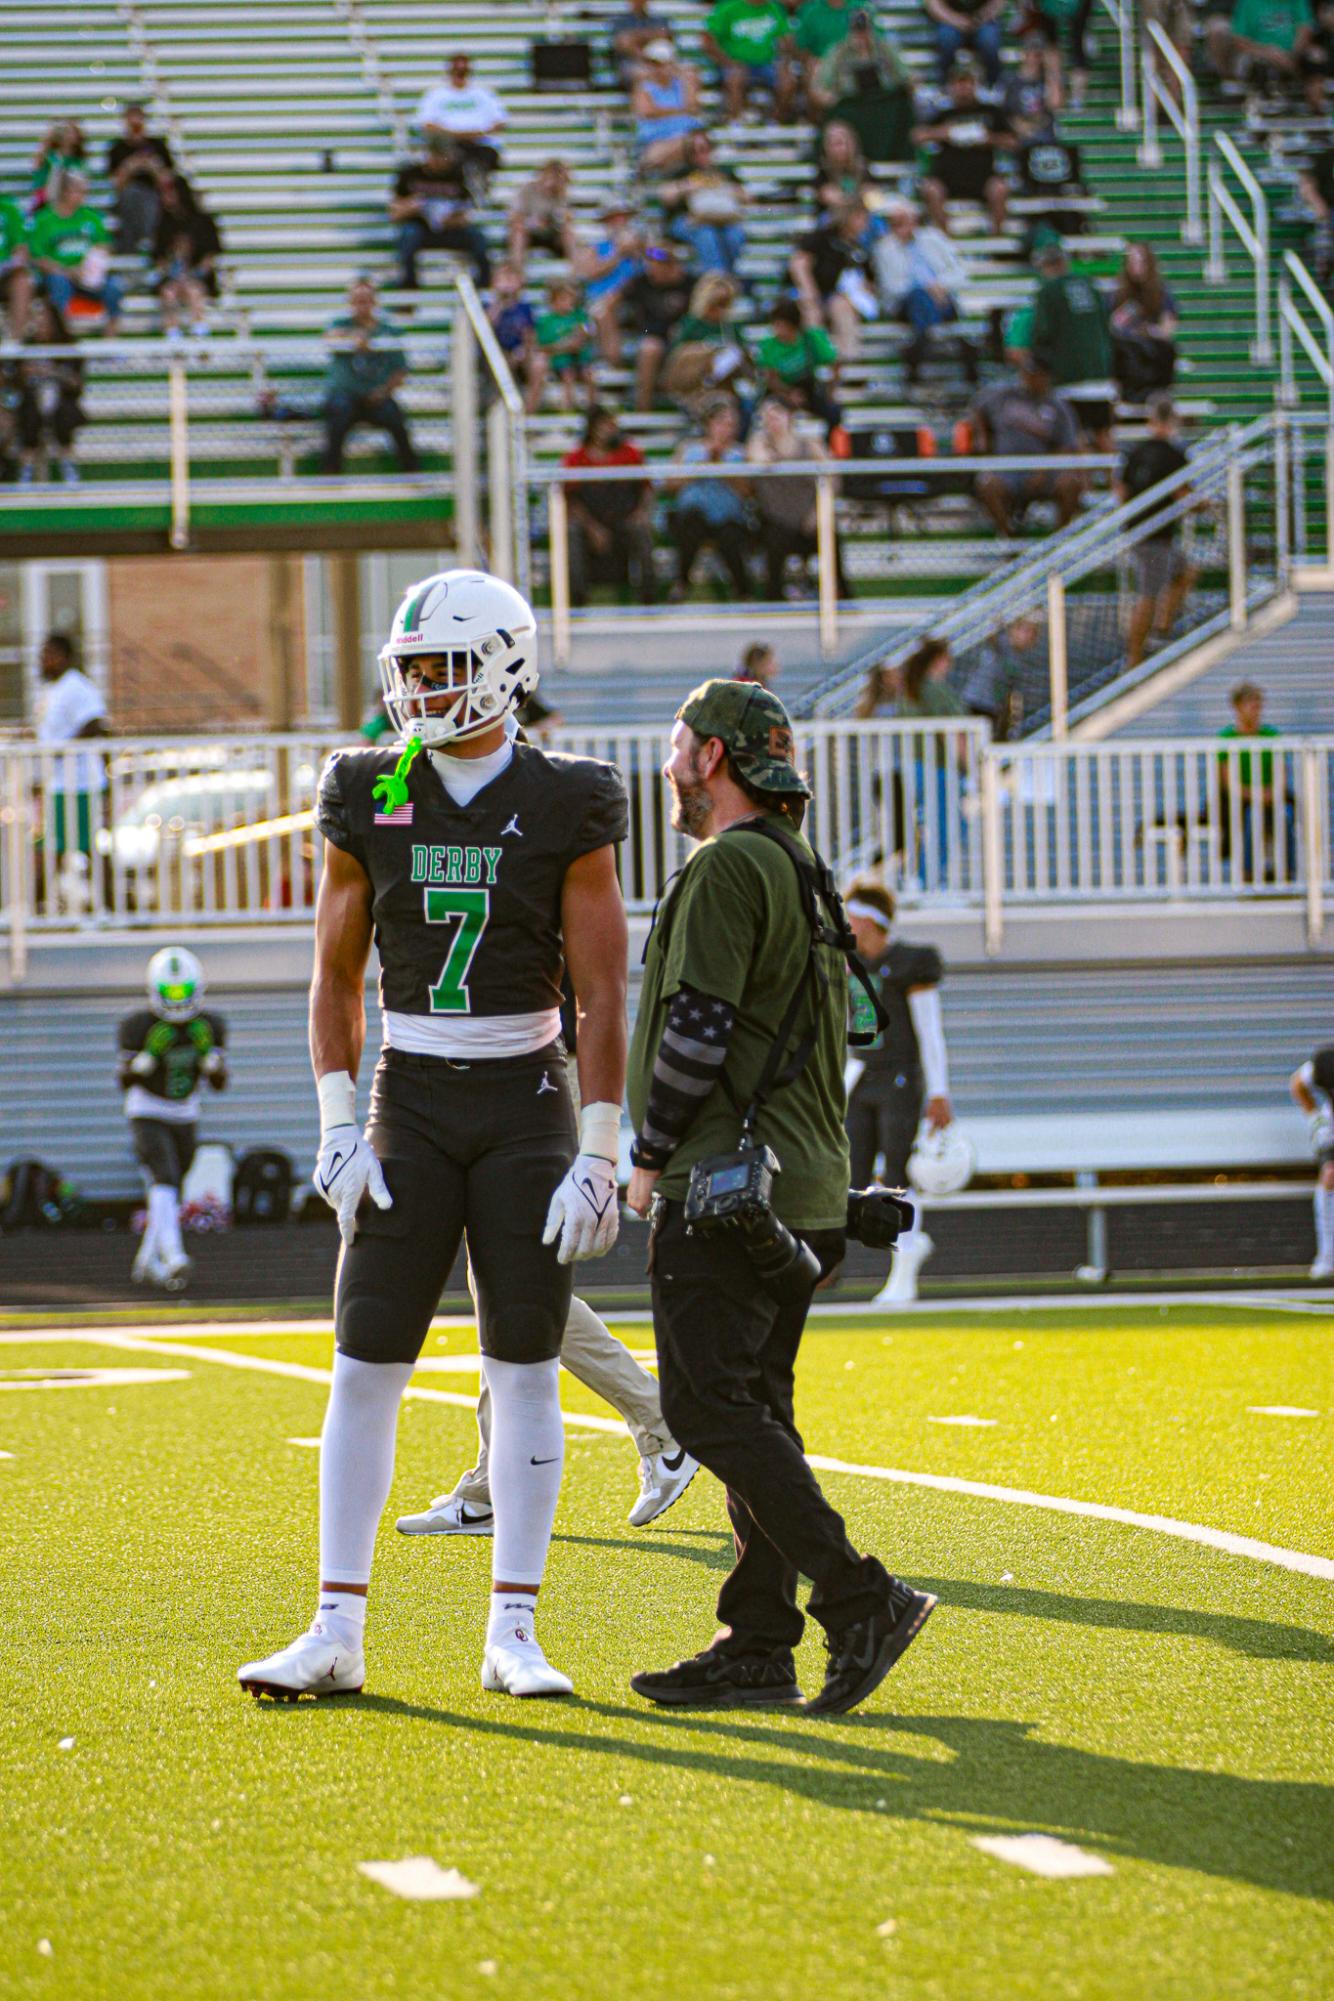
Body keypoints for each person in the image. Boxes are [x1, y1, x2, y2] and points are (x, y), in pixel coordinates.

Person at [238, 567, 630, 1703]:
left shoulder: (569, 797)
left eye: (442, 667)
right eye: (408, 670)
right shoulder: (367, 789)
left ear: (506, 664)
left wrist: (599, 1153)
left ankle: (513, 1631)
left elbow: (604, 993)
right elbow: (332, 974)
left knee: (520, 1369)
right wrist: (333, 1123)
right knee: (363, 1366)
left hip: (523, 1100)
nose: (419, 690)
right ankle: (333, 1630)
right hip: (408, 1095)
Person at [624, 677, 935, 1714]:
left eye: (677, 744)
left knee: (705, 1406)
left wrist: (646, 1153)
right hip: (804, 1185)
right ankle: (757, 1639)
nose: (668, 763)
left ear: (710, 757)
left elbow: (699, 1030)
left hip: (724, 1185)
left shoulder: (722, 867)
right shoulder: (802, 865)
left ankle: (859, 1599)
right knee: (758, 1414)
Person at [842, 877, 953, 1302]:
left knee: (897, 1175)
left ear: (869, 922)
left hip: (900, 1079)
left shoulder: (909, 963)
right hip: (863, 1078)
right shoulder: (850, 964)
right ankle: (881, 1255)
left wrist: (939, 1091)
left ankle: (905, 1262)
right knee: (852, 1173)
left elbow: (929, 1030)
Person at [117, 947, 227, 1293]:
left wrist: (212, 1063)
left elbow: (220, 1084)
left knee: (172, 1185)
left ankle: (147, 1261)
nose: (177, 1002)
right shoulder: (138, 1026)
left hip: (185, 1112)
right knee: (163, 1174)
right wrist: (143, 1061)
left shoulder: (210, 1025)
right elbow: (123, 1081)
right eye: (171, 994)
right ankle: (174, 1254)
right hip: (147, 1109)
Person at [1115, 394, 1196, 671]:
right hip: (1156, 535)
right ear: (1172, 421)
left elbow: (1121, 491)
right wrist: (1203, 504)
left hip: (1140, 530)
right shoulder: (1174, 455)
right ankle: (1134, 657)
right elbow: (1183, 494)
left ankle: (1162, 628)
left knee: (1185, 572)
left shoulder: (1135, 452)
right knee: (1148, 595)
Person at [746, 394, 850, 599]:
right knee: (773, 539)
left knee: (831, 537)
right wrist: (767, 450)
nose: (773, 420)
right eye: (767, 416)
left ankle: (843, 594)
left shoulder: (809, 444)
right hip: (779, 521)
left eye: (777, 414)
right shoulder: (759, 443)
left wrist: (817, 512)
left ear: (789, 416)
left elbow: (832, 478)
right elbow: (758, 460)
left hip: (810, 519)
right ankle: (773, 597)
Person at [970, 358, 1085, 535]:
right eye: (1028, 374)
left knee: (1070, 483)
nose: (1032, 379)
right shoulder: (1004, 397)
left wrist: (1043, 469)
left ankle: (1059, 537)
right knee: (987, 484)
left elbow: (1067, 445)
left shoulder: (1058, 406)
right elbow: (977, 406)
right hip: (1007, 467)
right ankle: (1007, 535)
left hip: (1045, 468)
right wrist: (982, 436)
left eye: (1038, 375)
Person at [320, 278, 419, 476]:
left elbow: (401, 370)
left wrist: (383, 391)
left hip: (377, 396)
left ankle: (411, 470)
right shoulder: (341, 324)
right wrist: (354, 337)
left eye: (366, 299)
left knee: (396, 418)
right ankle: (330, 471)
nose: (361, 305)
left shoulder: (388, 330)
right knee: (337, 413)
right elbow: (328, 337)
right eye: (357, 300)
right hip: (346, 396)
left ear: (374, 301)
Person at [561, 406, 658, 604]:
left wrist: (641, 513)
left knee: (641, 530)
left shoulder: (630, 454)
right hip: (590, 520)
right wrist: (592, 528)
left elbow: (646, 489)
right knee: (571, 531)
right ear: (593, 429)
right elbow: (570, 500)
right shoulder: (576, 458)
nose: (611, 429)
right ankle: (576, 598)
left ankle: (649, 596)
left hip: (624, 517)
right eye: (605, 425)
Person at [34, 631, 108, 884]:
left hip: (79, 783)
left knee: (77, 846)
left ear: (64, 657)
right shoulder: (51, 690)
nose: (43, 661)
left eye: (49, 655)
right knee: (56, 844)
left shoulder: (76, 686)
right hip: (58, 781)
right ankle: (38, 907)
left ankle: (108, 906)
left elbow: (96, 725)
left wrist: (63, 750)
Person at [914, 56, 1016, 238]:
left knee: (1000, 188)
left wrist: (988, 139)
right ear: (951, 86)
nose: (963, 88)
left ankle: (996, 238)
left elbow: (1013, 141)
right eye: (959, 83)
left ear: (975, 84)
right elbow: (918, 135)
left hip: (983, 175)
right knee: (930, 188)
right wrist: (943, 134)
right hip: (948, 176)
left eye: (967, 83)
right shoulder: (944, 114)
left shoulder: (990, 112)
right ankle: (945, 238)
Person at [872, 196, 967, 385]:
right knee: (919, 297)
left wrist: (940, 285)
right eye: (895, 223)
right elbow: (892, 287)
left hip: (942, 297)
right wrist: (927, 288)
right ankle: (931, 336)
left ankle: (922, 344)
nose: (901, 227)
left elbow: (960, 272)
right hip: (906, 305)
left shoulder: (933, 239)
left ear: (914, 219)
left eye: (904, 221)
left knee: (925, 299)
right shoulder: (884, 248)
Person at [1028, 241, 1114, 450]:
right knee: (1104, 434)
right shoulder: (1092, 287)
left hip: (1069, 378)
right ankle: (1114, 480)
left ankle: (1085, 483)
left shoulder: (1049, 291)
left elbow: (1043, 334)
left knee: (1075, 437)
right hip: (1101, 377)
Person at [668, 399, 755, 598]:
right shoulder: (688, 449)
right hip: (693, 512)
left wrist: (723, 469)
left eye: (731, 424)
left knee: (730, 536)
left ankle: (743, 591)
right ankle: (681, 584)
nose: (726, 429)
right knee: (690, 526)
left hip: (728, 516)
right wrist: (701, 467)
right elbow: (670, 485)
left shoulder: (740, 453)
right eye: (721, 423)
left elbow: (748, 492)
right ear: (709, 424)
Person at [1216, 680, 1297, 884]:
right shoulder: (1227, 738)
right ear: (1237, 707)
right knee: (1252, 816)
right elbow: (1227, 782)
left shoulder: (1271, 735)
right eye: (1251, 705)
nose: (1256, 710)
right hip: (1241, 801)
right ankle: (1249, 875)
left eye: (1258, 705)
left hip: (1273, 798)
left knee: (1285, 815)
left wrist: (1272, 793)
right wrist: (1255, 795)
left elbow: (1281, 774)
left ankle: (1288, 873)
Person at [390, 136, 491, 291]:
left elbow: (467, 214)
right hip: (421, 229)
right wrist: (412, 207)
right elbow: (394, 213)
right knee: (408, 235)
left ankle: (485, 282)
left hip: (450, 229)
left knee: (477, 236)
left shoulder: (458, 176)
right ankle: (408, 285)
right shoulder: (410, 174)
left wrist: (450, 220)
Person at [26, 170, 123, 333]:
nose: (82, 196)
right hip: (58, 275)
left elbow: (103, 247)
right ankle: (62, 335)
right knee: (58, 284)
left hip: (86, 275)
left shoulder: (91, 218)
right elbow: (37, 257)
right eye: (78, 191)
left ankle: (110, 339)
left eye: (84, 191)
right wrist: (66, 271)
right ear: (65, 191)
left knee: (114, 287)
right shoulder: (44, 220)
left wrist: (88, 268)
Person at [789, 197, 882, 360]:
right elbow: (798, 264)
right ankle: (814, 359)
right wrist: (810, 291)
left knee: (842, 307)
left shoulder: (858, 248)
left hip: (837, 297)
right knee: (810, 312)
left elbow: (870, 279)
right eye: (861, 217)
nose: (865, 223)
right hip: (811, 292)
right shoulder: (822, 238)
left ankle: (848, 358)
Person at [16, 295, 85, 486]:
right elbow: (17, 380)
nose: (39, 324)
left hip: (61, 398)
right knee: (29, 415)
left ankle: (68, 465)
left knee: (63, 414)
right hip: (32, 399)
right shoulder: (27, 346)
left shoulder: (67, 346)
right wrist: (26, 372)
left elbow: (76, 383)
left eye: (43, 319)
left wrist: (53, 372)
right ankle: (26, 471)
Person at [659, 132, 749, 277]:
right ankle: (717, 280)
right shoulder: (680, 171)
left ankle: (726, 280)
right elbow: (666, 196)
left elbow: (747, 196)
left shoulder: (724, 172)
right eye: (694, 151)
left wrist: (723, 187)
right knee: (707, 235)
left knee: (735, 235)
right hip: (688, 221)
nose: (701, 155)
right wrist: (689, 186)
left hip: (722, 220)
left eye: (705, 149)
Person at [415, 52, 506, 184]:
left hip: (480, 144)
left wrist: (476, 134)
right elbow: (427, 124)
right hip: (448, 144)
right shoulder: (435, 95)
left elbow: (500, 122)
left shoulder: (484, 94)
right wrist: (457, 134)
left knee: (485, 158)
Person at [624, 238, 694, 410]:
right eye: (650, 263)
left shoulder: (690, 284)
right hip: (652, 337)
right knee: (650, 348)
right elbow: (611, 303)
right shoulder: (641, 282)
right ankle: (643, 411)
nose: (652, 269)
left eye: (657, 264)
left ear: (671, 265)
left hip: (685, 339)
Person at [150, 175, 223, 338]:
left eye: (169, 193)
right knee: (168, 293)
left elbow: (211, 255)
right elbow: (158, 257)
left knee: (193, 291)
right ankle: (173, 334)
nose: (165, 197)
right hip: (172, 275)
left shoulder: (203, 220)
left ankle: (199, 332)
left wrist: (194, 274)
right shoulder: (163, 223)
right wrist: (172, 265)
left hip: (197, 275)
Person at [755, 297, 841, 431]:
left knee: (833, 412)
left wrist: (831, 390)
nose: (777, 330)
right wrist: (788, 394)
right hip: (781, 390)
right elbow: (771, 379)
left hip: (808, 387)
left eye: (781, 325)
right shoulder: (769, 345)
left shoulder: (811, 338)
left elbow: (834, 363)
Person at [703, 0, 796, 123]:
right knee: (735, 77)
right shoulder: (728, 7)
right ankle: (735, 124)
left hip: (766, 63)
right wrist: (729, 61)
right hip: (733, 62)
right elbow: (708, 41)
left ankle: (775, 123)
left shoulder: (775, 8)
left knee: (788, 81)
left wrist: (784, 62)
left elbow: (786, 40)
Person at [1110, 242, 1178, 402]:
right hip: (1126, 346)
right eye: (1132, 262)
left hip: (1151, 345)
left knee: (1167, 350)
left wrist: (1149, 331)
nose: (1137, 266)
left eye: (1141, 261)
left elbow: (1168, 327)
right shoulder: (1117, 293)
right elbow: (1112, 325)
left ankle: (1157, 393)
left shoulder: (1161, 292)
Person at [578, 200, 644, 366]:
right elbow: (590, 272)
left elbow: (662, 257)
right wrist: (618, 254)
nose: (620, 222)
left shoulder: (644, 245)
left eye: (623, 218)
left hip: (636, 297)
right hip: (602, 299)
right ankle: (613, 360)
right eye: (614, 219)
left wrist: (642, 251)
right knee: (604, 310)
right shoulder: (596, 248)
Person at [1289, 1046, 1334, 1280]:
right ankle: (1327, 1258)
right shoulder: (1326, 1064)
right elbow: (1297, 1084)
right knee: (1329, 1174)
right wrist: (1315, 1118)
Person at [105, 102, 174, 254]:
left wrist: (153, 168)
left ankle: (139, 242)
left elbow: (167, 181)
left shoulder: (158, 145)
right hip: (128, 196)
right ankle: (145, 238)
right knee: (133, 195)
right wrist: (130, 166)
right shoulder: (117, 148)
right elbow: (116, 183)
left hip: (153, 194)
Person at [1207, 0, 1312, 93]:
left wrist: (1291, 56)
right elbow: (1239, 40)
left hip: (1292, 57)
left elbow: (1304, 29)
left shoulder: (1298, 2)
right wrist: (1267, 52)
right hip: (1259, 55)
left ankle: (1316, 107)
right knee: (1257, 65)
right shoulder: (1248, 2)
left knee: (1315, 57)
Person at [963, 613, 1042, 736]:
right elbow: (992, 636)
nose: (1029, 637)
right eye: (1026, 631)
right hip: (975, 703)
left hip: (992, 708)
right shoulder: (1003, 643)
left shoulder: (1019, 658)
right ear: (1014, 630)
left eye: (1033, 633)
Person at [632, 40, 704, 174]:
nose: (657, 69)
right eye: (653, 64)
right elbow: (647, 111)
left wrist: (686, 78)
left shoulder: (681, 84)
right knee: (687, 145)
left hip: (685, 137)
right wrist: (681, 110)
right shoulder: (644, 86)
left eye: (661, 64)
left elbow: (693, 106)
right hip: (656, 140)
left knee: (694, 144)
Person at [486, 261, 547, 414]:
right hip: (496, 353)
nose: (508, 281)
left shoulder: (525, 308)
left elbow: (530, 335)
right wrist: (500, 302)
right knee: (502, 363)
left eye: (512, 277)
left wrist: (523, 352)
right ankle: (502, 409)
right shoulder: (488, 306)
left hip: (520, 352)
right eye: (503, 277)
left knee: (539, 363)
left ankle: (528, 413)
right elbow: (486, 329)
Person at [535, 277, 597, 411]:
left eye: (570, 299)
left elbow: (587, 331)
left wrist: (580, 337)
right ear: (553, 301)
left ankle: (593, 408)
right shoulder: (546, 321)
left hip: (579, 358)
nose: (569, 303)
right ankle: (567, 408)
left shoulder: (579, 316)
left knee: (589, 374)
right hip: (559, 360)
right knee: (568, 374)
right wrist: (565, 346)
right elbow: (543, 345)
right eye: (563, 299)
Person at [506, 159, 578, 274]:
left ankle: (576, 271)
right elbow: (514, 217)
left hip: (552, 234)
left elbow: (566, 219)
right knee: (518, 231)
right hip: (529, 232)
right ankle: (516, 272)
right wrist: (532, 222)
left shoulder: (562, 195)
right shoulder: (527, 191)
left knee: (569, 233)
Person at [925, 0, 1006, 86]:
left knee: (989, 42)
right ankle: (944, 85)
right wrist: (956, 20)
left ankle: (993, 84)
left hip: (983, 21)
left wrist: (980, 18)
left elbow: (998, 3)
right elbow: (934, 5)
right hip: (950, 22)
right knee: (946, 40)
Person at [610, 0, 672, 90]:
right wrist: (650, 36)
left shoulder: (659, 20)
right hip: (632, 64)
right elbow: (624, 43)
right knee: (641, 75)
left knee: (687, 74)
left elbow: (664, 36)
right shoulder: (620, 22)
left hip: (661, 63)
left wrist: (635, 37)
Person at [811, 120, 871, 212]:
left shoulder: (862, 166)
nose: (840, 148)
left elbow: (871, 193)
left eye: (843, 143)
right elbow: (827, 195)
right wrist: (857, 197)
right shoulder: (823, 169)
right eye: (835, 144)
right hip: (833, 217)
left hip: (861, 215)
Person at [0, 193, 33, 340]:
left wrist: (15, 263)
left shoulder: (8, 208)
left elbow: (20, 248)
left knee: (22, 280)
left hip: (4, 273)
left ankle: (15, 343)